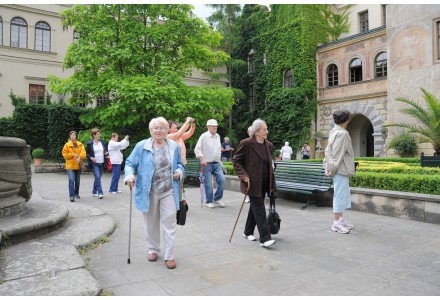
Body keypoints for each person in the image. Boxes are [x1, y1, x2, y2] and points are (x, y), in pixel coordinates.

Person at [124, 117, 184, 269]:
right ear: (150, 131)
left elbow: (180, 164)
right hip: (148, 191)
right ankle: (153, 249)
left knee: (169, 223)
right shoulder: (141, 146)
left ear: (166, 130)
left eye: (162, 128)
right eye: (155, 128)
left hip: (168, 190)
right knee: (151, 223)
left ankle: (169, 256)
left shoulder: (174, 146)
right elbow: (130, 163)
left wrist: (179, 171)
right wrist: (129, 175)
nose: (158, 130)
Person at [232, 118, 276, 248]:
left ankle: (247, 231)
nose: (267, 131)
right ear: (257, 131)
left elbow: (269, 165)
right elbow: (236, 161)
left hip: (265, 182)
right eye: (264, 129)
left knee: (255, 208)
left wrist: (272, 183)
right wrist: (243, 176)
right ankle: (265, 238)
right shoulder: (246, 143)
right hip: (252, 182)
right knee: (260, 209)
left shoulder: (268, 145)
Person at [323, 108, 356, 234]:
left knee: (343, 195)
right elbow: (337, 155)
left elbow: (328, 151)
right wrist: (331, 169)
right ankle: (336, 223)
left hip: (338, 169)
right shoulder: (342, 133)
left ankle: (340, 220)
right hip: (340, 169)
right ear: (346, 120)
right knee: (340, 196)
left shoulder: (334, 131)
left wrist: (328, 167)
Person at [194, 119, 225, 208]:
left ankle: (217, 199)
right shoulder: (204, 136)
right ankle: (209, 201)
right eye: (213, 126)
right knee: (208, 183)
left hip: (217, 163)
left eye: (216, 126)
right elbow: (197, 149)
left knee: (222, 180)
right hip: (206, 163)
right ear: (208, 127)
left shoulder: (218, 136)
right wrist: (202, 158)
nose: (215, 127)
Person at [62, 130, 86, 202]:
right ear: (70, 136)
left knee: (77, 181)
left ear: (76, 136)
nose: (73, 136)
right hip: (70, 166)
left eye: (74, 135)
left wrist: (79, 157)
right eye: (71, 135)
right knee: (71, 180)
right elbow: (64, 155)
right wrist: (72, 155)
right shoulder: (67, 145)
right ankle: (71, 196)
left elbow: (83, 153)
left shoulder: (80, 144)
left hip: (78, 165)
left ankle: (76, 193)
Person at [86, 128, 108, 199]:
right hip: (94, 163)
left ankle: (94, 191)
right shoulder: (89, 144)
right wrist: (91, 158)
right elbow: (87, 153)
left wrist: (106, 153)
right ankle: (100, 193)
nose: (100, 135)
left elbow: (105, 151)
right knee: (98, 177)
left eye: (99, 134)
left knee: (97, 178)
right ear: (94, 135)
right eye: (98, 134)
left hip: (101, 163)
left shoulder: (103, 142)